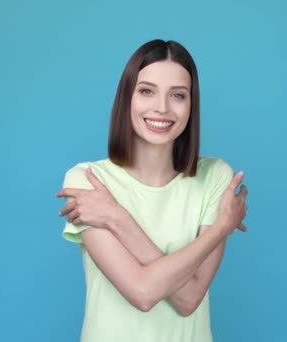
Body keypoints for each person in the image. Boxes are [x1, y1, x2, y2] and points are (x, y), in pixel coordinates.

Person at [56, 39, 248, 342]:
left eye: (178, 95)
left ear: (191, 105)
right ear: (127, 98)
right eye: (147, 91)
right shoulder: (87, 180)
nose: (162, 108)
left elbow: (189, 299)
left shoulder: (215, 177)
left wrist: (118, 219)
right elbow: (142, 293)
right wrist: (221, 229)